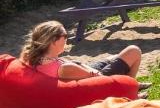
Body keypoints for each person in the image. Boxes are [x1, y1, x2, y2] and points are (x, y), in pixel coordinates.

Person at [20, 20, 150, 90]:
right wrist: (84, 67)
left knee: (113, 58)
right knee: (134, 51)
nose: (67, 39)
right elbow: (98, 77)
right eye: (65, 36)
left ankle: (132, 84)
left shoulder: (34, 58)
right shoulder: (65, 68)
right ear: (53, 41)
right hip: (95, 82)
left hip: (80, 72)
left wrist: (80, 64)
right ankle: (130, 89)